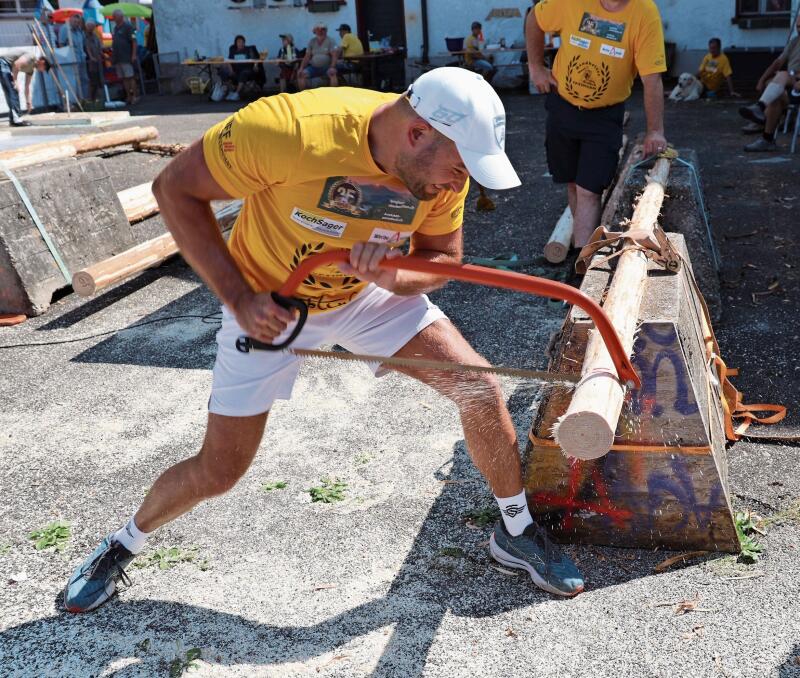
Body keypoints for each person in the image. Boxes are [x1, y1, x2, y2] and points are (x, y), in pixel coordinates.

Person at [63, 66, 588, 614]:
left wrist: (393, 277)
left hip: (367, 297)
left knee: (477, 386)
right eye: (458, 170)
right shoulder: (288, 131)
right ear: (416, 134)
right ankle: (122, 544)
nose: (459, 186)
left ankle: (515, 530)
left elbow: (443, 260)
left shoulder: (433, 169)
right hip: (269, 302)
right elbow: (173, 189)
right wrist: (240, 299)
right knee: (220, 470)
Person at [527, 0, 668, 249]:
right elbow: (535, 20)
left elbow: (652, 78)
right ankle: (583, 251)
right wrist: (536, 67)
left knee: (589, 189)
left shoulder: (644, 13)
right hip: (563, 108)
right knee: (572, 182)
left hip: (604, 117)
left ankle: (584, 258)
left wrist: (655, 131)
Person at [739, 12, 800, 152]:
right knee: (776, 95)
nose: (799, 29)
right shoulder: (795, 41)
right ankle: (767, 139)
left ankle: (759, 110)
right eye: (797, 26)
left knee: (783, 75)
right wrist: (761, 79)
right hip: (792, 85)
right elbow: (777, 63)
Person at [0, 50, 36, 126]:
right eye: (44, 68)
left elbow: (27, 87)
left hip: (4, 65)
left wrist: (28, 102)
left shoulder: (31, 70)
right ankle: (17, 120)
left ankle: (13, 119)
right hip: (3, 63)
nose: (43, 71)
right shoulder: (31, 57)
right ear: (42, 62)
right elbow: (16, 64)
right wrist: (15, 82)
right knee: (13, 91)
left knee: (10, 93)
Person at [220, 35, 261, 102]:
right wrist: (231, 70)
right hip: (236, 70)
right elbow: (228, 60)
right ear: (236, 43)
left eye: (242, 42)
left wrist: (255, 66)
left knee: (243, 73)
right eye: (238, 42)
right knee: (222, 71)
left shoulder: (248, 50)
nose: (240, 43)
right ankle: (231, 90)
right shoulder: (233, 50)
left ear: (244, 43)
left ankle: (236, 93)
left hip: (247, 70)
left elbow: (255, 59)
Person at [297, 23, 337, 90]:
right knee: (301, 74)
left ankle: (333, 95)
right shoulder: (312, 41)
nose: (320, 31)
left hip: (326, 67)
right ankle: (304, 96)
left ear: (326, 31)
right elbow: (307, 57)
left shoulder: (330, 40)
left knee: (332, 73)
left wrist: (332, 67)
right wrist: (301, 68)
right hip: (314, 67)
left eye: (323, 29)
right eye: (318, 29)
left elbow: (334, 56)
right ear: (314, 31)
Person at [111, 9, 138, 107]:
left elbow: (134, 41)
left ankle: (134, 96)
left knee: (130, 77)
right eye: (113, 16)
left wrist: (133, 55)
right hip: (118, 58)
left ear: (121, 17)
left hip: (127, 56)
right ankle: (128, 96)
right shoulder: (115, 28)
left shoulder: (128, 27)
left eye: (115, 16)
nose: (113, 18)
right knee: (124, 79)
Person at [59, 13, 88, 100]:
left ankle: (84, 100)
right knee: (74, 81)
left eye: (78, 22)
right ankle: (76, 100)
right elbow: (61, 44)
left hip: (82, 58)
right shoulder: (65, 29)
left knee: (84, 80)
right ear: (70, 20)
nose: (77, 23)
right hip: (72, 60)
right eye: (75, 21)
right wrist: (66, 58)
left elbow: (83, 44)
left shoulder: (79, 30)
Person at [84, 20, 103, 104]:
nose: (91, 28)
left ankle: (96, 99)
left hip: (97, 62)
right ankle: (90, 99)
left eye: (93, 27)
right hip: (90, 63)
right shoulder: (84, 36)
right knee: (92, 81)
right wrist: (91, 57)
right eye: (90, 27)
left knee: (97, 81)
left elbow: (99, 47)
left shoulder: (95, 36)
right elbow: (87, 48)